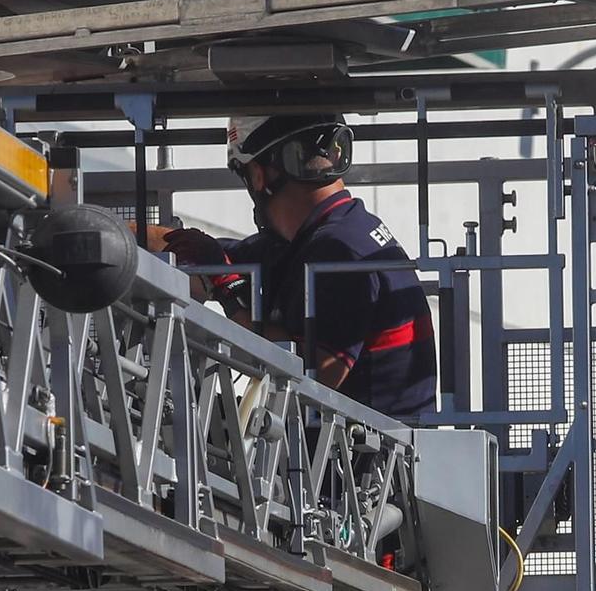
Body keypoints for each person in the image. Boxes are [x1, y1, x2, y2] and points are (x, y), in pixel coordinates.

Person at [162, 114, 436, 418]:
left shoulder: (339, 252)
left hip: (357, 460)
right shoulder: (327, 237)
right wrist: (110, 233)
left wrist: (231, 295)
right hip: (352, 455)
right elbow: (199, 255)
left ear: (257, 175)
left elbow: (308, 382)